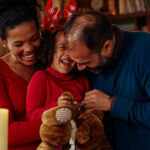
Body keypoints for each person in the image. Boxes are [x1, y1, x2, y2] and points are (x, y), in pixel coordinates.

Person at [64, 11, 150, 150]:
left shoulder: (145, 49)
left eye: (85, 62)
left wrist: (113, 104)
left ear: (107, 47)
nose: (79, 68)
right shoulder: (84, 58)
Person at [0, 0, 45, 149]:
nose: (29, 49)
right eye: (18, 44)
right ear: (4, 42)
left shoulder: (52, 59)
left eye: (34, 38)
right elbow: (5, 133)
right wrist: (58, 124)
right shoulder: (1, 71)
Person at [26, 28, 90, 121]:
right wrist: (56, 107)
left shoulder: (83, 80)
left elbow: (89, 113)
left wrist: (85, 110)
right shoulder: (41, 77)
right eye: (63, 47)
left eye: (73, 49)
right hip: (54, 133)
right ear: (51, 49)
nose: (68, 55)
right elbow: (31, 116)